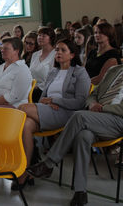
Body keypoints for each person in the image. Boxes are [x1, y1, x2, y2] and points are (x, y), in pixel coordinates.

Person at [27, 64, 123, 206]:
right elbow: (93, 95)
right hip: (96, 116)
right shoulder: (114, 70)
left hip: (117, 120)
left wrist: (103, 108)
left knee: (79, 116)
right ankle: (80, 192)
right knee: (83, 136)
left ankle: (49, 162)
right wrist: (92, 105)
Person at [16, 39, 91, 190]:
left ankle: (33, 157)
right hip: (49, 110)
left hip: (68, 114)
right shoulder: (53, 71)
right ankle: (26, 170)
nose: (58, 53)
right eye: (57, 50)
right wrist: (48, 102)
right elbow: (44, 97)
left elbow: (80, 102)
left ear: (72, 54)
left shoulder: (79, 72)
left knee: (22, 108)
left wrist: (56, 100)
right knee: (25, 126)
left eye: (63, 50)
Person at [30, 27, 56, 102]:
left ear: (51, 39)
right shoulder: (35, 55)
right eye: (39, 35)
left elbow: (53, 78)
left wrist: (37, 87)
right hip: (32, 88)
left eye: (43, 36)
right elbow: (30, 74)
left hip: (46, 90)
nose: (40, 38)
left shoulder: (55, 55)